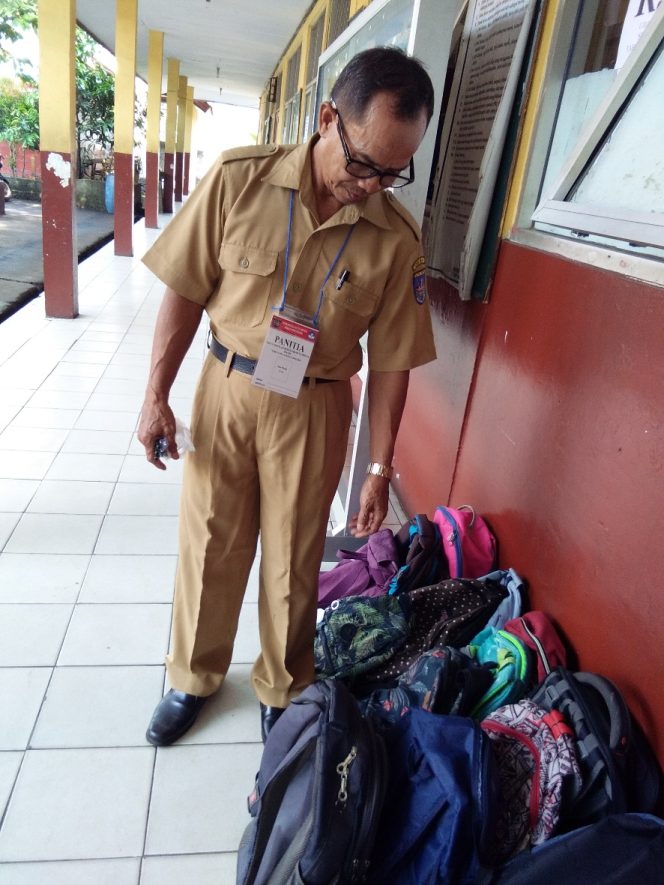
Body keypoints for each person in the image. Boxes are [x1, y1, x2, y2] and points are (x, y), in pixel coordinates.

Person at [139, 46, 437, 746]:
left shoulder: (396, 240)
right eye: (364, 163)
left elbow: (393, 363)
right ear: (329, 118)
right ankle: (193, 674)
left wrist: (379, 467)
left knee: (296, 554)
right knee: (210, 542)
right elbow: (184, 288)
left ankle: (282, 683)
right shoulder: (239, 180)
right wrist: (156, 393)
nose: (373, 184)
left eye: (395, 172)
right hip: (227, 386)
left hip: (317, 404)